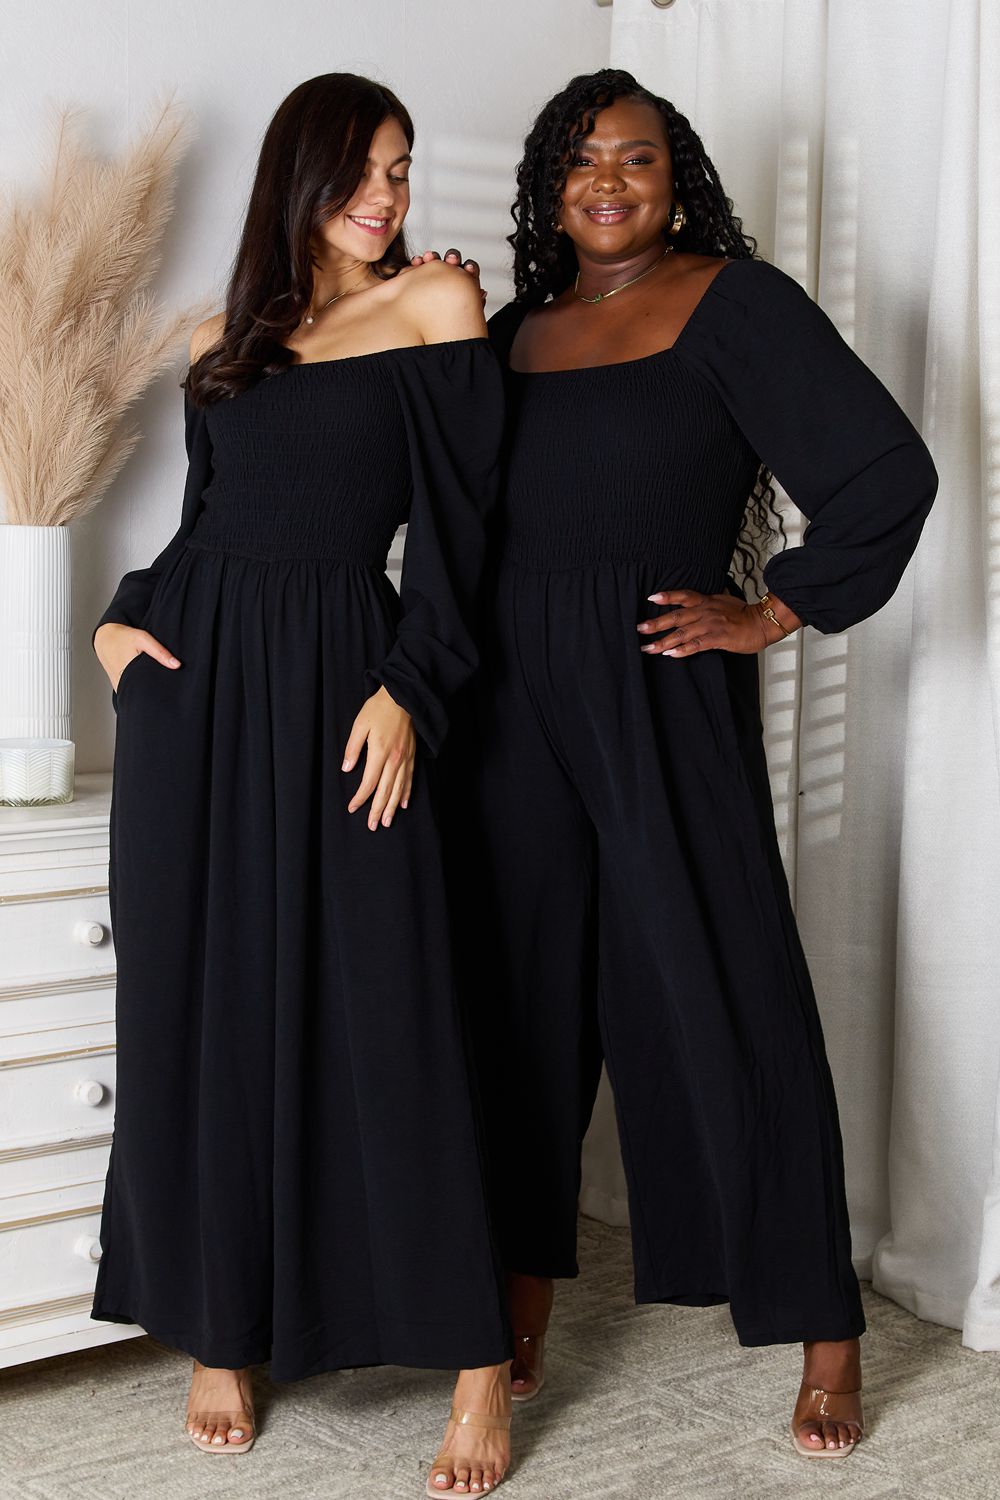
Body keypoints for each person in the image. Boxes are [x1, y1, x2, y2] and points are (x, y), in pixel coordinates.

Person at [428, 68, 938, 1460]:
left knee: (728, 983)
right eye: (581, 159)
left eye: (638, 157)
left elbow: (886, 473)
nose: (609, 180)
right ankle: (518, 1288)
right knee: (517, 998)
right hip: (508, 702)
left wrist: (770, 610)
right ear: (547, 187)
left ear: (678, 179)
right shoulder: (512, 333)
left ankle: (824, 1326)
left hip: (659, 682)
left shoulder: (735, 304)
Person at [91, 73, 513, 1495]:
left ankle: (475, 1357)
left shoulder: (435, 306)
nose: (388, 196)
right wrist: (119, 621)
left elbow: (464, 535)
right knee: (203, 1002)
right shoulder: (222, 339)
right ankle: (223, 1325)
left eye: (401, 167)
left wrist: (411, 686)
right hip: (196, 692)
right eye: (362, 172)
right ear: (301, 178)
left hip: (346, 679)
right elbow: (200, 525)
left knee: (394, 1003)